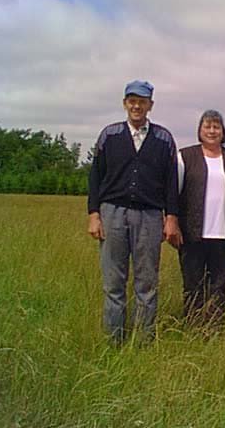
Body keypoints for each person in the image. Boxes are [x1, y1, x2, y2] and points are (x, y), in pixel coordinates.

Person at [87, 79, 182, 345]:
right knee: (114, 284)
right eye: (132, 101)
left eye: (142, 101)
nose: (136, 106)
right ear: (125, 103)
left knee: (146, 284)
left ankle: (144, 342)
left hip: (150, 216)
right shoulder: (110, 134)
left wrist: (171, 217)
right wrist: (94, 213)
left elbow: (171, 181)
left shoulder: (164, 138)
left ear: (150, 105)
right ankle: (114, 341)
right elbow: (96, 176)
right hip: (112, 213)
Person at [177, 110, 225, 323]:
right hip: (192, 233)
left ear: (223, 132)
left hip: (224, 234)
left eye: (216, 127)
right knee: (193, 284)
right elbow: (173, 193)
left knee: (219, 286)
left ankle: (213, 328)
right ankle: (193, 328)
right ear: (199, 130)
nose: (212, 131)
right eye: (208, 126)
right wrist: (172, 223)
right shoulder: (185, 156)